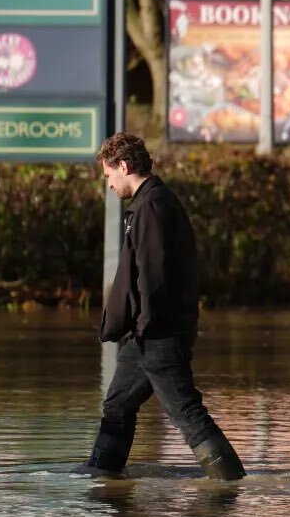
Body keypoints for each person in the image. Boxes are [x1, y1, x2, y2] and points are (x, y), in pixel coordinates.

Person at [87, 132, 246, 481]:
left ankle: (230, 483)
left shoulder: (154, 206)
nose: (109, 185)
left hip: (158, 333)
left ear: (124, 166)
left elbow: (153, 276)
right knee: (117, 405)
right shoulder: (148, 204)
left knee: (186, 411)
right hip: (145, 335)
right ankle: (101, 479)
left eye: (108, 175)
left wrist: (145, 327)